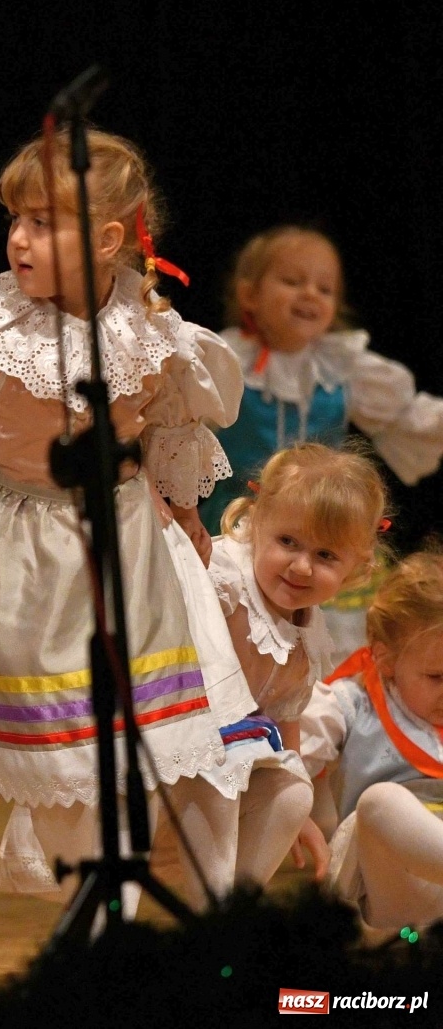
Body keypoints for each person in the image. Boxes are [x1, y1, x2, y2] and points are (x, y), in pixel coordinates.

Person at [0, 127, 244, 896]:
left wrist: (185, 513)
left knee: (137, 744)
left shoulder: (147, 326)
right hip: (23, 549)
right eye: (15, 221)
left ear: (108, 238)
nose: (18, 239)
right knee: (65, 747)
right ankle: (78, 879)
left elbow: (171, 420)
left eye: (43, 223)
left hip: (124, 539)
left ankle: (110, 907)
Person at [152, 445, 388, 904]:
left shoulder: (307, 629)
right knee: (228, 772)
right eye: (288, 542)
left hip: (226, 759)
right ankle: (218, 928)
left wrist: (292, 811)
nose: (302, 566)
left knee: (293, 790)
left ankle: (231, 916)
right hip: (166, 742)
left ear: (355, 566)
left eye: (325, 555)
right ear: (256, 523)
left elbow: (285, 714)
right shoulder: (222, 578)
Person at [203, 227, 443, 656]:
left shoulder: (343, 369)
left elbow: (411, 418)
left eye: (324, 287)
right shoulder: (223, 361)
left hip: (324, 533)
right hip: (236, 527)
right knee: (232, 641)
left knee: (327, 647)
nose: (309, 294)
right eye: (292, 282)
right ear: (250, 295)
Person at [300, 551, 443, 930]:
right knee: (381, 802)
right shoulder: (350, 703)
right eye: (436, 677)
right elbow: (291, 758)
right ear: (385, 659)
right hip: (392, 895)